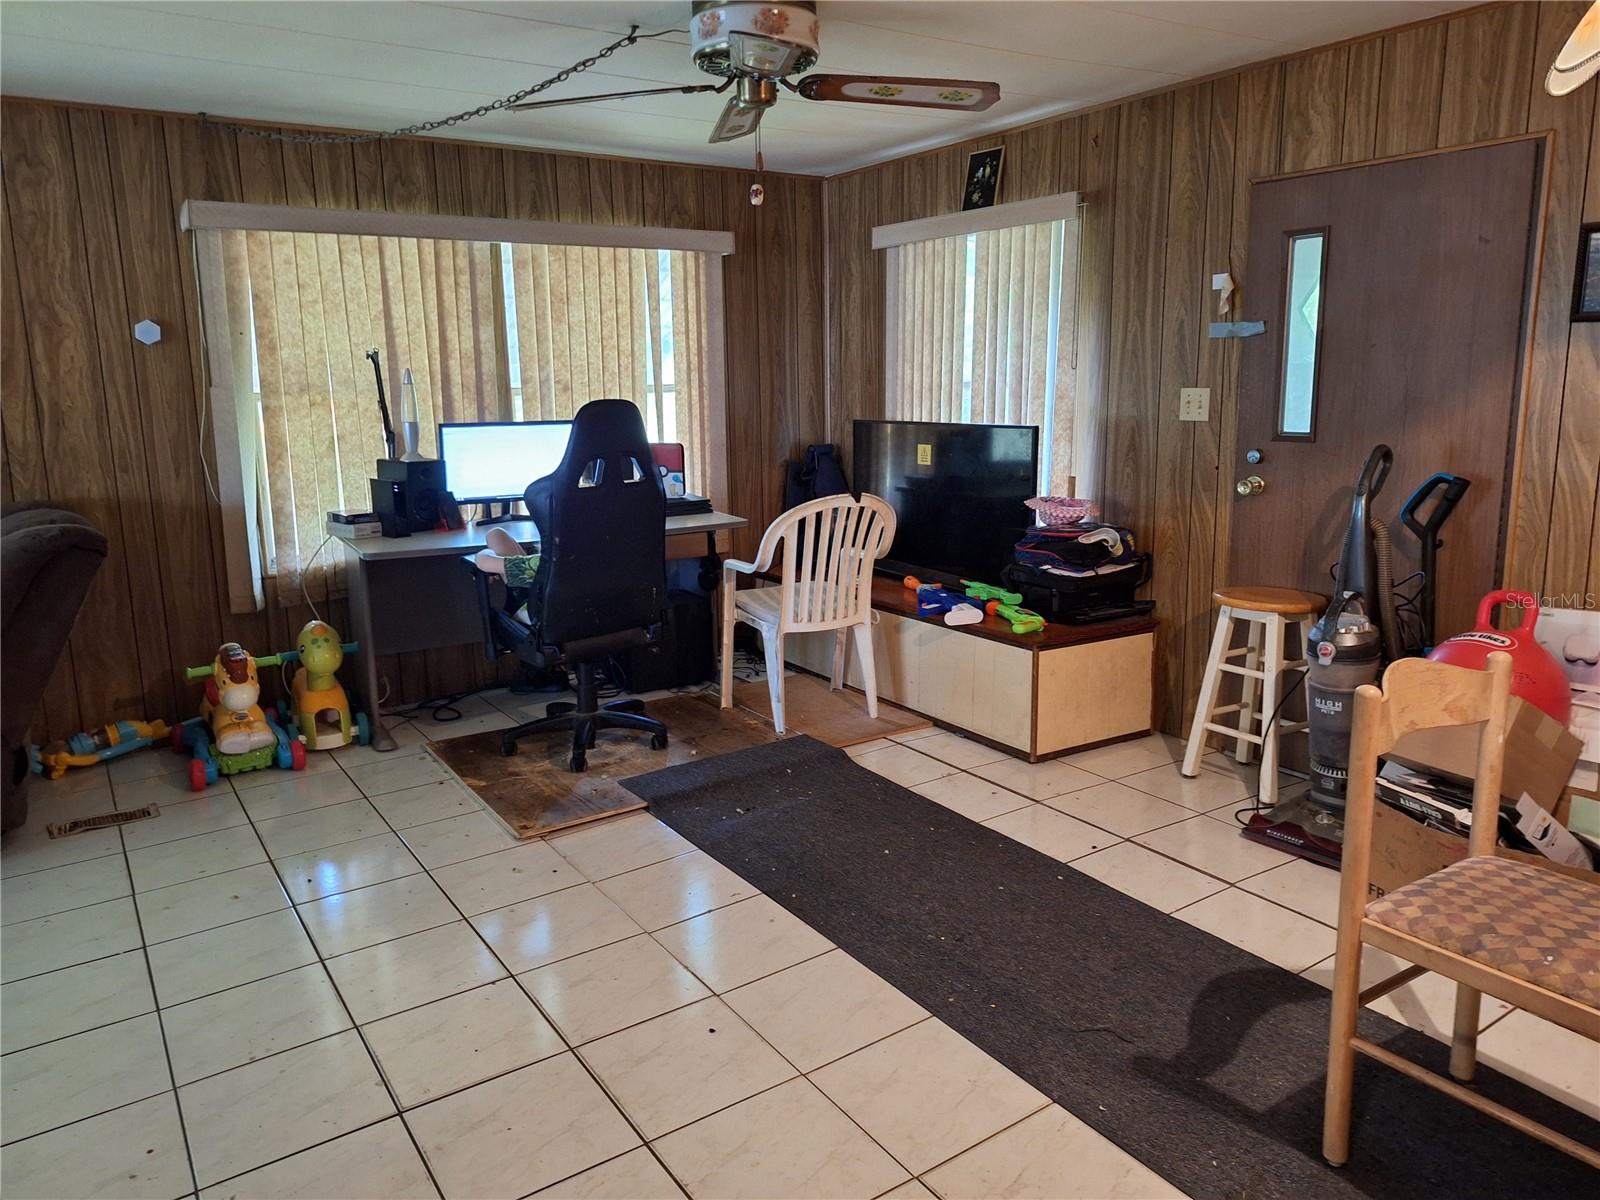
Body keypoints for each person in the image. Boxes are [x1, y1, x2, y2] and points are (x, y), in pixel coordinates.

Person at [472, 526, 540, 587]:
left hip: (531, 598)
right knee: (496, 533)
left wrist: (490, 553)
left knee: (495, 534)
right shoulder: (537, 562)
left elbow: (484, 562)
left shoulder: (537, 564)